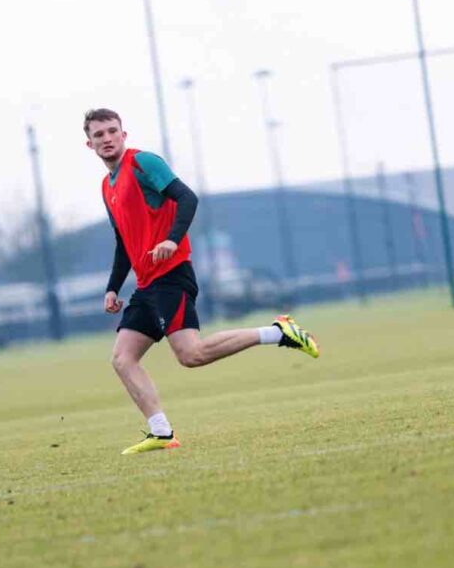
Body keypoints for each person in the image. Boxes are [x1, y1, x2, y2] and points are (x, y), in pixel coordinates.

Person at [84, 108, 320, 454]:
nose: (106, 138)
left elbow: (187, 198)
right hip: (147, 285)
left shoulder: (143, 163)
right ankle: (161, 433)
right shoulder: (107, 187)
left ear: (123, 134)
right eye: (99, 134)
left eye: (111, 131)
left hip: (171, 276)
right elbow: (123, 242)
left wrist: (172, 240)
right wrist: (112, 288)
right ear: (89, 144)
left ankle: (279, 332)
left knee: (191, 354)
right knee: (122, 358)